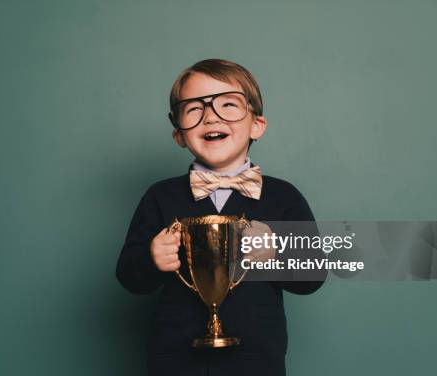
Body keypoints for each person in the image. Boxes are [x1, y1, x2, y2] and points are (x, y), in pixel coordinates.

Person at [116, 58, 326, 375]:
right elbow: (128, 276)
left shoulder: (284, 196)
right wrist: (151, 259)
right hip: (174, 360)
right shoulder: (160, 196)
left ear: (257, 124)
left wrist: (276, 253)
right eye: (194, 109)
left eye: (227, 105)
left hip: (257, 361)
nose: (211, 117)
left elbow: (314, 274)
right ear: (179, 134)